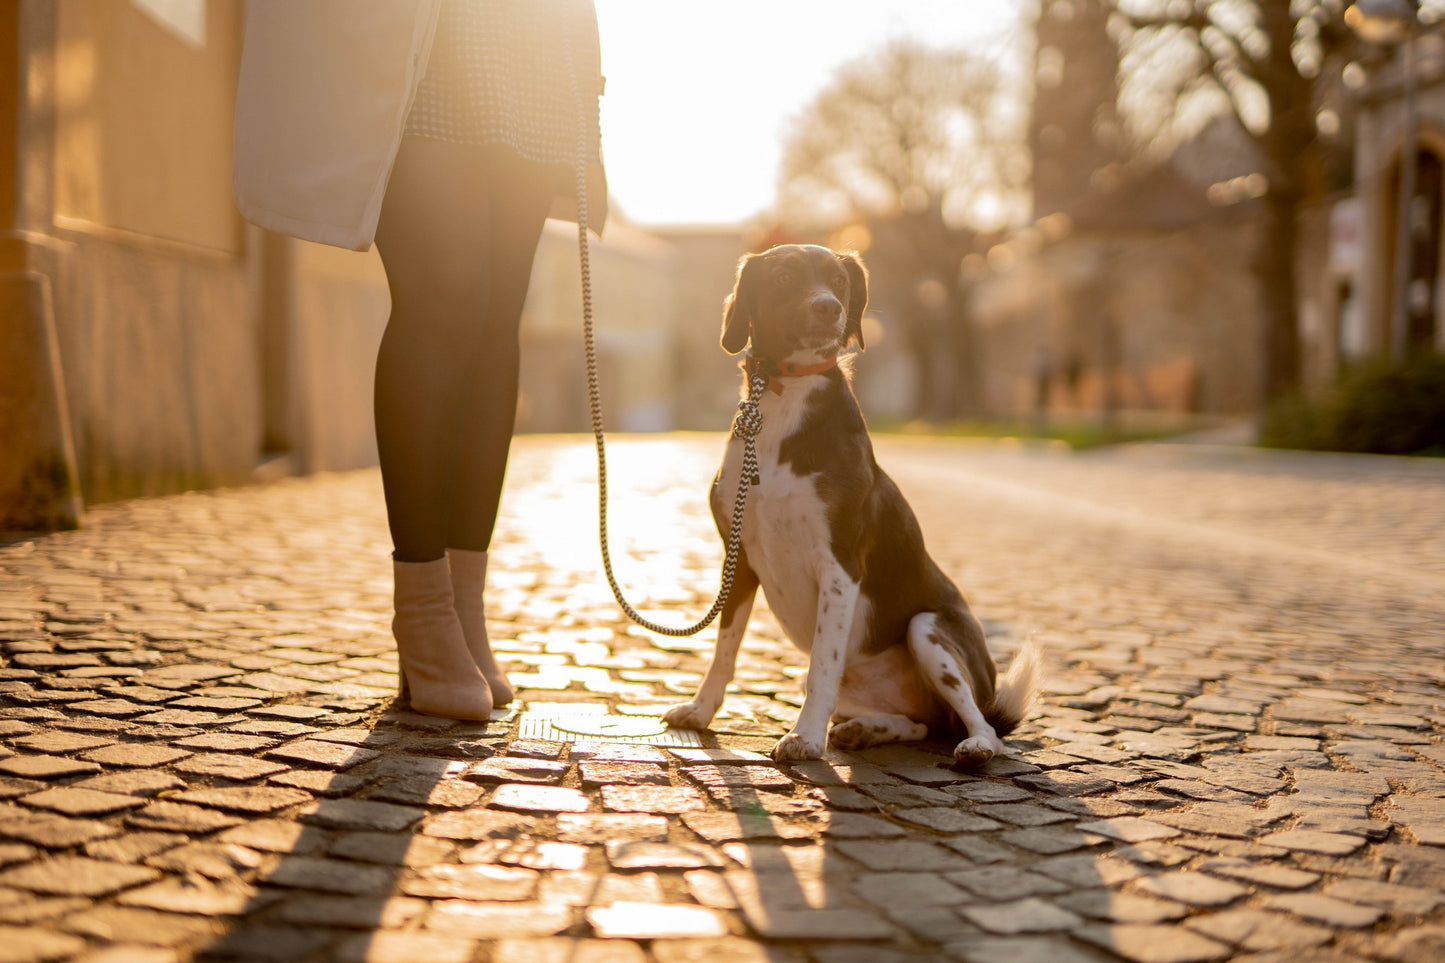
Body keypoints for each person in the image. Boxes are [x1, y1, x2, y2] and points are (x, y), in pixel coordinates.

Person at [233, 0, 607, 720]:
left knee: (498, 314)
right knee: (446, 290)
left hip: (529, 40)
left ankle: (464, 608)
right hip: (430, 33)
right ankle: (423, 607)